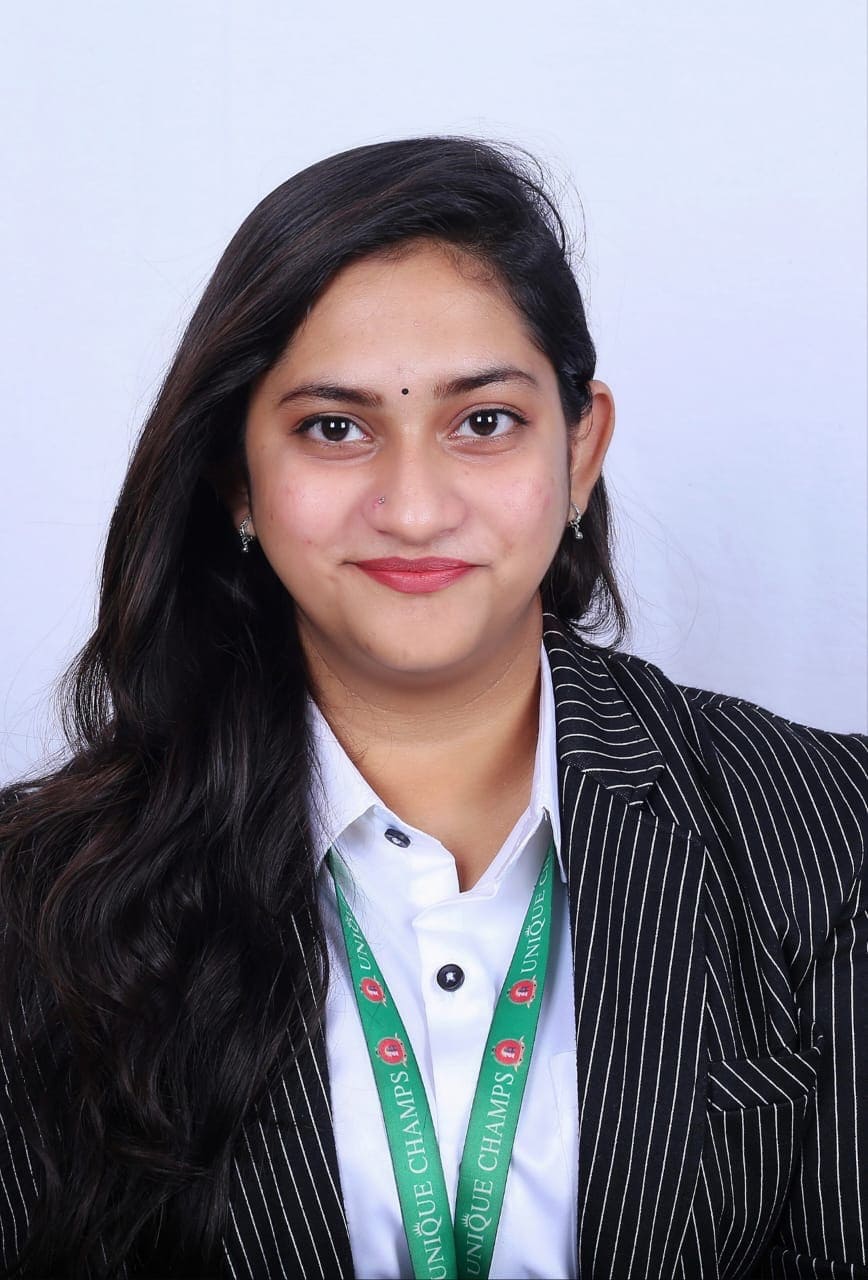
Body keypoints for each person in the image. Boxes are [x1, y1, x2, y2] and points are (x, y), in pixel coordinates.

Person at [0, 136, 865, 1280]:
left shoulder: (831, 830)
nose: (413, 508)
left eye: (484, 421)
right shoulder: (38, 894)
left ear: (580, 449)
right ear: (236, 480)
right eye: (334, 427)